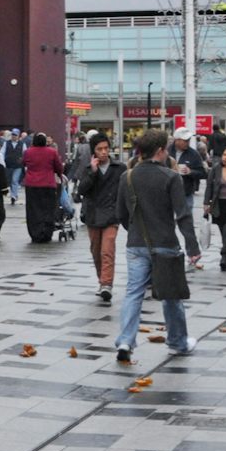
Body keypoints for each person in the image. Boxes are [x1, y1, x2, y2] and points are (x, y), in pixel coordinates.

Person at [114, 127, 194, 363]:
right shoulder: (171, 177)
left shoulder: (126, 177)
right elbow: (183, 215)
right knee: (171, 296)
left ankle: (126, 340)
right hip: (165, 244)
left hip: (136, 244)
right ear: (160, 151)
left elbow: (121, 213)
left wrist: (136, 231)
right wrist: (193, 248)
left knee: (133, 292)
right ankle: (178, 342)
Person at [72, 133, 125, 303]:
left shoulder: (119, 168)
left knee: (107, 250)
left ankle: (106, 284)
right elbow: (81, 191)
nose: (103, 152)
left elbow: (125, 190)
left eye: (106, 148)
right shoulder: (88, 169)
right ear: (93, 151)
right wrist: (93, 173)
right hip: (93, 215)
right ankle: (102, 281)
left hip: (111, 215)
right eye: (99, 149)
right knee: (96, 251)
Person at [168, 127, 207, 270]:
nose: (187, 142)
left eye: (188, 140)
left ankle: (193, 253)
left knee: (186, 224)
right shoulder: (166, 152)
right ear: (176, 140)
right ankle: (171, 252)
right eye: (184, 140)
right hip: (167, 194)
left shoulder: (193, 154)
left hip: (185, 193)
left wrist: (191, 172)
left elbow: (203, 173)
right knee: (167, 224)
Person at [21, 132, 64, 243]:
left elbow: (23, 163)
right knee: (48, 210)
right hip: (48, 184)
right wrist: (59, 174)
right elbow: (58, 167)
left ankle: (35, 233)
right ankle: (46, 233)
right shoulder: (52, 152)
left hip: (32, 185)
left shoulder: (28, 152)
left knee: (33, 210)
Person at [4, 129, 27, 205]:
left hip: (18, 166)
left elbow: (25, 154)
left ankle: (13, 196)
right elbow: (2, 152)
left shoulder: (22, 144)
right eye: (13, 135)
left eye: (15, 135)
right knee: (10, 181)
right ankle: (14, 194)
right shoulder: (6, 143)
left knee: (14, 180)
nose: (14, 136)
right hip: (8, 165)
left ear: (18, 136)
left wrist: (24, 162)